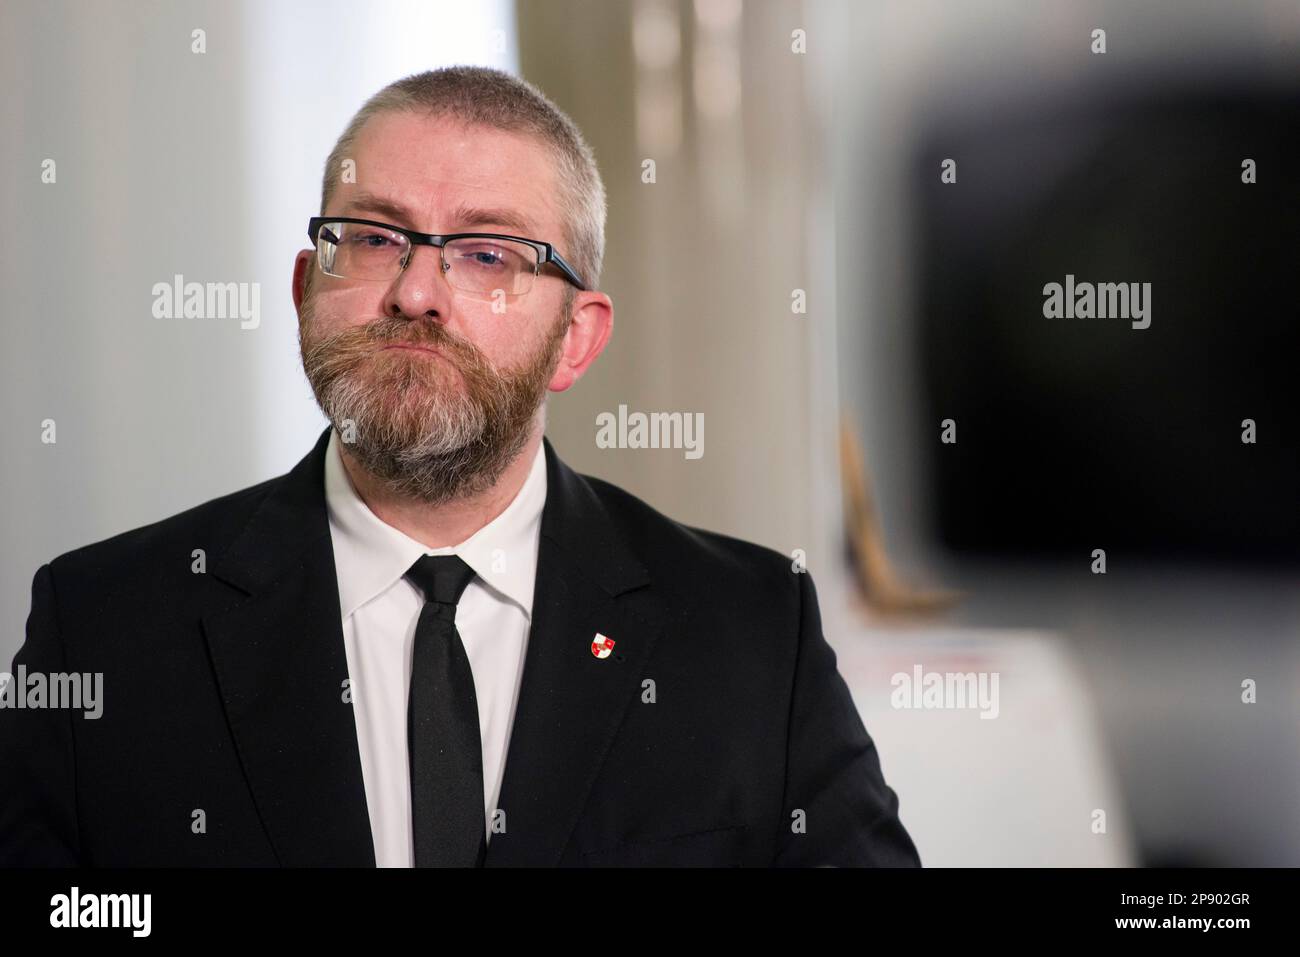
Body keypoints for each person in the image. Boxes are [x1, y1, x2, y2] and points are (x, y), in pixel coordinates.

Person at [0, 66, 919, 867]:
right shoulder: (103, 630)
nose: (416, 292)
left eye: (487, 253)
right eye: (371, 238)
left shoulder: (753, 635)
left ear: (576, 338)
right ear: (302, 289)